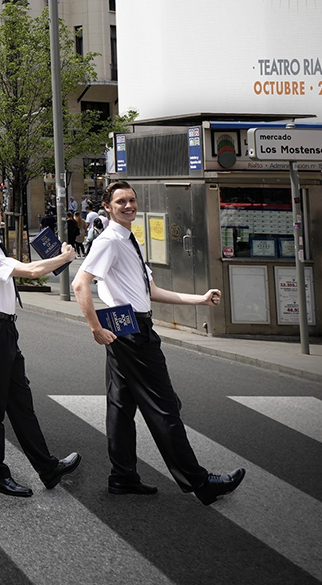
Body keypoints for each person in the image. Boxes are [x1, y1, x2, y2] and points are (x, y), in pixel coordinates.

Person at [72, 181, 245, 506]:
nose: (128, 206)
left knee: (121, 405)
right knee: (164, 406)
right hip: (133, 332)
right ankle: (199, 481)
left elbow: (151, 291)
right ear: (107, 207)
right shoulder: (110, 240)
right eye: (120, 201)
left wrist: (201, 299)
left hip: (129, 327)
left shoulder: (128, 240)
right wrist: (94, 327)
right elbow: (80, 283)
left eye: (132, 200)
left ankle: (122, 477)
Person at [0, 194, 81, 497]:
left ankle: (47, 467)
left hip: (4, 329)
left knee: (20, 403)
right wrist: (64, 258)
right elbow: (29, 271)